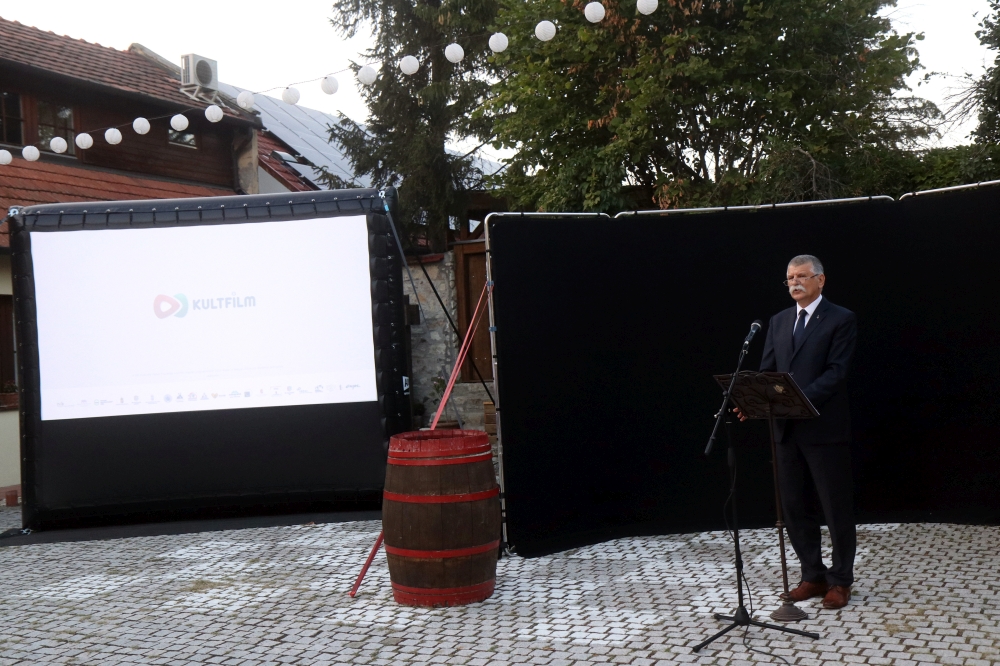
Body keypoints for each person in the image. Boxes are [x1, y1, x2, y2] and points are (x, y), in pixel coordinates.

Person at [735, 254, 857, 610]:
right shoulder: (778, 321)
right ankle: (813, 575)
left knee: (834, 507)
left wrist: (798, 399)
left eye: (802, 276)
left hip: (823, 429)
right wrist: (753, 400)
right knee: (794, 507)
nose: (794, 283)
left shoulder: (840, 318)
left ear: (821, 279)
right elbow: (768, 372)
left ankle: (840, 580)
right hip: (785, 431)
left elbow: (836, 372)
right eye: (790, 278)